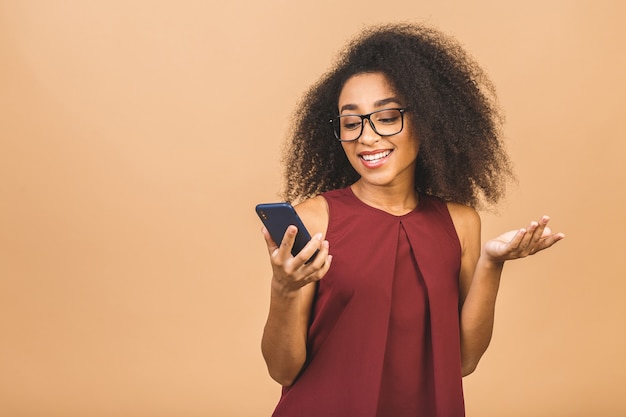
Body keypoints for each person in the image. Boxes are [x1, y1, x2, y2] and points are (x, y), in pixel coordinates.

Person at [259, 23, 564, 417]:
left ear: (429, 121)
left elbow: (462, 362)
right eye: (352, 123)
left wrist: (492, 263)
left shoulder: (461, 223)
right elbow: (281, 369)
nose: (367, 138)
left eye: (386, 117)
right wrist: (283, 289)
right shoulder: (313, 219)